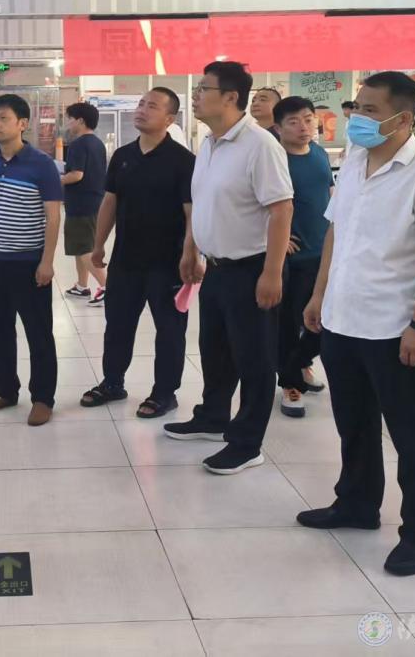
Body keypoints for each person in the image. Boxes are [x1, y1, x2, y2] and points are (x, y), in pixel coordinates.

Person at [297, 71, 415, 578]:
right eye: (357, 107)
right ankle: (357, 503)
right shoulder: (354, 161)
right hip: (343, 319)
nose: (357, 118)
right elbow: (336, 231)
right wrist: (320, 295)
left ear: (402, 118)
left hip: (396, 327)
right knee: (354, 424)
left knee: (414, 437)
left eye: (370, 110)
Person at [166, 61, 294, 477]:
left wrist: (272, 273)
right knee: (215, 350)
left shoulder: (260, 145)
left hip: (252, 268)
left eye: (204, 89)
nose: (196, 95)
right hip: (217, 268)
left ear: (231, 97)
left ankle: (246, 442)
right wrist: (191, 249)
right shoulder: (210, 142)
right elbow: (202, 201)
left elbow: (281, 210)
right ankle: (213, 416)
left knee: (254, 359)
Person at [80, 88, 196, 418]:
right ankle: (113, 383)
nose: (142, 110)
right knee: (118, 325)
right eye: (141, 104)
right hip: (126, 260)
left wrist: (191, 254)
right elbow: (110, 202)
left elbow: (192, 213)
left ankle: (165, 393)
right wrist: (99, 244)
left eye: (152, 106)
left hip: (168, 263)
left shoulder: (183, 161)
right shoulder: (123, 156)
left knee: (169, 330)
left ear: (169, 119)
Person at [0, 94, 63, 426]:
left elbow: (53, 216)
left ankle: (43, 397)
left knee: (38, 331)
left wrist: (47, 261)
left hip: (29, 261)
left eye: (3, 118)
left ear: (22, 123)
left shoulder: (41, 164)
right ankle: (5, 390)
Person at [272, 96, 332, 418]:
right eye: (293, 122)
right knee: (288, 322)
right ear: (278, 127)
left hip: (323, 251)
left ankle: (299, 362)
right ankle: (290, 383)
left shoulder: (320, 154)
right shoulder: (274, 159)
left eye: (308, 119)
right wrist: (276, 238)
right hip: (291, 259)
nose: (303, 127)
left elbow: (329, 195)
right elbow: (255, 202)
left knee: (324, 318)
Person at [60, 102, 109, 305]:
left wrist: (55, 180)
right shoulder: (97, 143)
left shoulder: (78, 144)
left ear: (80, 121)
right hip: (95, 201)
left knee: (83, 249)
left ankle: (108, 288)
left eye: (70, 119)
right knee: (82, 246)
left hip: (81, 204)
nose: (68, 123)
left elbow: (76, 175)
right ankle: (82, 286)